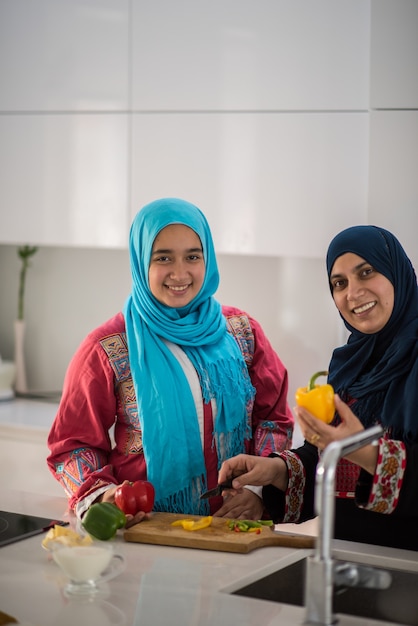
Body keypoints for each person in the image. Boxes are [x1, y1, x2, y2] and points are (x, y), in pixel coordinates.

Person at [47, 197, 294, 527]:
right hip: (147, 529)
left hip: (237, 524)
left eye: (193, 256)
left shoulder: (242, 332)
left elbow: (273, 419)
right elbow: (72, 445)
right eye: (163, 258)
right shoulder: (108, 348)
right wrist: (106, 497)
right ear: (140, 261)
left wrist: (256, 491)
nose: (180, 273)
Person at [218, 225, 418, 551]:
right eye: (340, 283)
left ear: (396, 271)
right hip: (344, 561)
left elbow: (353, 452)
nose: (352, 293)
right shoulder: (350, 365)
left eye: (366, 272)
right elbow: (333, 467)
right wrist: (274, 471)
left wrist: (364, 451)